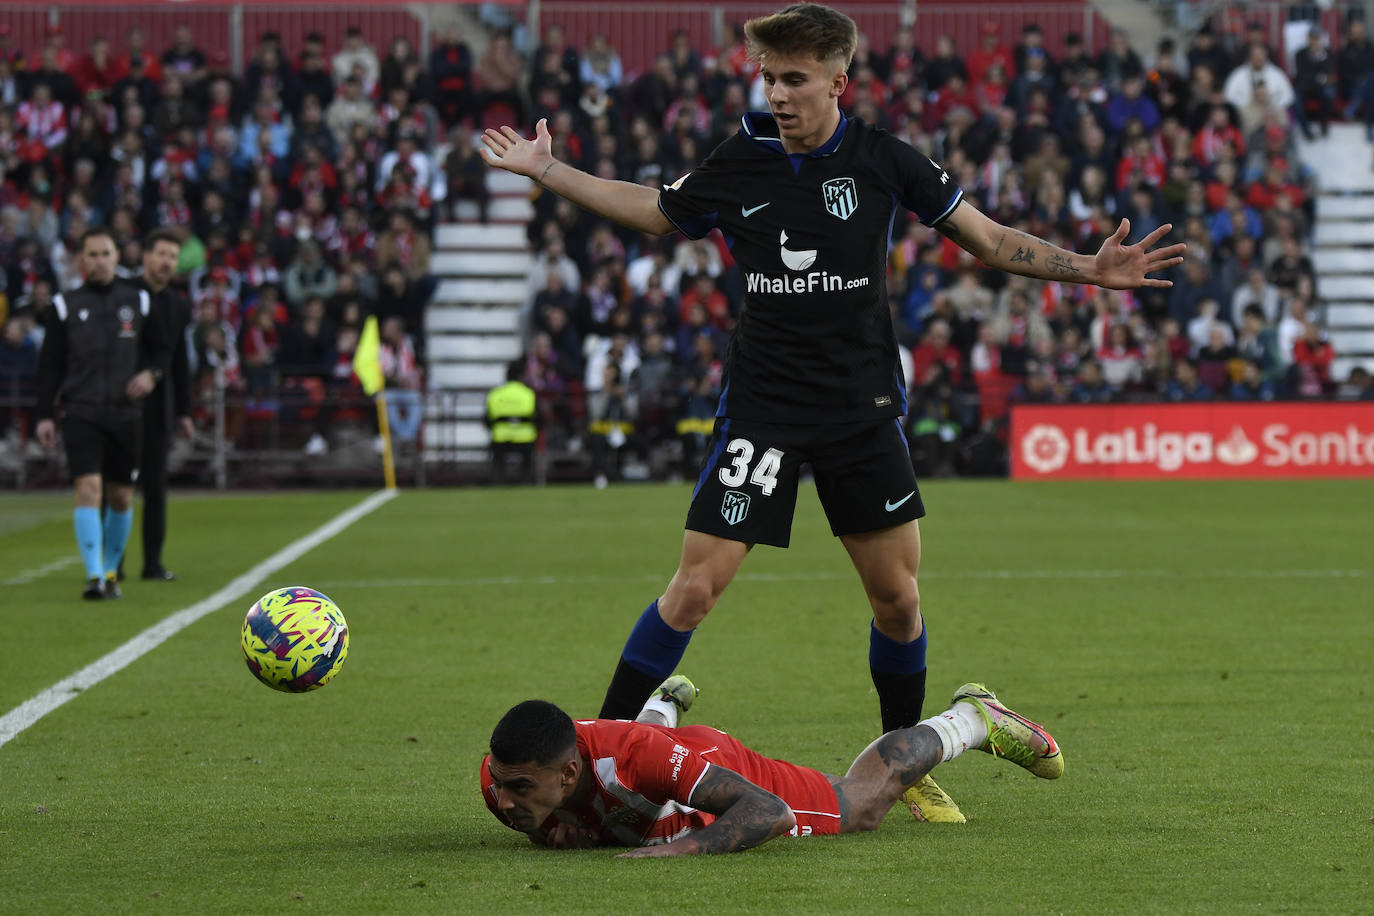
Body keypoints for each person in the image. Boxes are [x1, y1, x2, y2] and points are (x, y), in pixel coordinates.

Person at [480, 1, 1181, 824]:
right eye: (769, 77)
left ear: (838, 83)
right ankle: (603, 748)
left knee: (896, 600)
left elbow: (988, 240)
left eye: (795, 79)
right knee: (694, 589)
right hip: (763, 411)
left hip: (859, 410)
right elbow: (653, 210)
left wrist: (1087, 271)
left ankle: (904, 762)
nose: (777, 93)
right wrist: (548, 171)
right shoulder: (740, 157)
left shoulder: (885, 159)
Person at [481, 676, 1062, 854]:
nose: (505, 803)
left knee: (858, 804)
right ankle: (665, 700)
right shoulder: (503, 779)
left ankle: (972, 720)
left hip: (711, 765)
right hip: (646, 765)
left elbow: (771, 813)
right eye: (503, 787)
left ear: (564, 775)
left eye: (520, 789)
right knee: (640, 770)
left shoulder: (631, 759)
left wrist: (673, 851)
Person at [33, 227, 170, 600]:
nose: (98, 261)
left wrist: (150, 375)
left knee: (122, 495)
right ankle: (94, 575)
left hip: (126, 414)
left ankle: (111, 571)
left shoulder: (139, 300)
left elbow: (161, 351)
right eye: (91, 255)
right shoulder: (64, 305)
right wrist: (44, 414)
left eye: (105, 253)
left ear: (117, 256)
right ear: (80, 260)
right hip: (81, 411)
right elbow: (49, 366)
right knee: (88, 488)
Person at [130, 228, 193, 581]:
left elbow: (180, 361)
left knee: (156, 486)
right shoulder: (125, 296)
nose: (168, 261)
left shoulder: (178, 304)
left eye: (173, 256)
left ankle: (152, 562)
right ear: (146, 256)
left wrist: (184, 410)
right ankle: (112, 564)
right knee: (117, 486)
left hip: (158, 408)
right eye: (162, 254)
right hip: (121, 403)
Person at [485, 359, 538, 484]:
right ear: (521, 376)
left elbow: (487, 420)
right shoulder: (529, 394)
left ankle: (499, 479)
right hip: (525, 440)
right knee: (529, 452)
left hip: (500, 440)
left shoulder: (495, 394)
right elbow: (538, 418)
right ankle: (526, 481)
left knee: (496, 450)